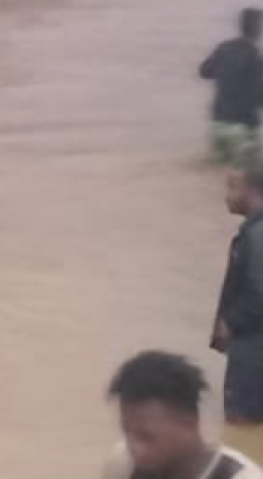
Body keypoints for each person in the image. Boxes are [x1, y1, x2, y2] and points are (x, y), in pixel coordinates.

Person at [102, 351, 263, 478]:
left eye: (147, 437)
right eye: (127, 432)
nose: (134, 449)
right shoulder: (123, 464)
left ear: (189, 422)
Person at [215, 167, 263, 464]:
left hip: (253, 354)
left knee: (241, 429)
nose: (226, 197)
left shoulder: (258, 235)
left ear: (252, 191)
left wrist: (231, 323)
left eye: (232, 187)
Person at [200, 9, 263, 168]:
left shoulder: (223, 48)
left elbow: (204, 71)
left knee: (218, 172)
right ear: (257, 29)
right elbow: (259, 95)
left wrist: (226, 72)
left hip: (218, 123)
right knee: (249, 180)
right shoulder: (255, 56)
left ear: (241, 26)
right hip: (242, 129)